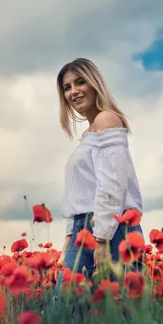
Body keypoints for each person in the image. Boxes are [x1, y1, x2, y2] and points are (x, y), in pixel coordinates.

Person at [55, 57, 144, 284]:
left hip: (111, 231)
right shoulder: (87, 135)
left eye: (80, 82)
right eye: (67, 87)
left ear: (95, 84)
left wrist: (102, 241)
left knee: (115, 311)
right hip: (84, 231)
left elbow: (113, 184)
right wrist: (68, 237)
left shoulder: (107, 120)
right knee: (69, 311)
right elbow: (81, 192)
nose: (73, 91)